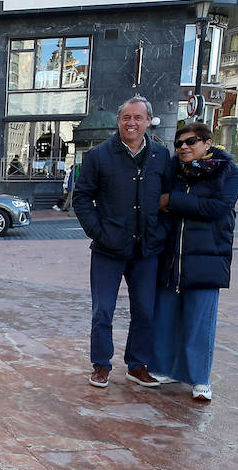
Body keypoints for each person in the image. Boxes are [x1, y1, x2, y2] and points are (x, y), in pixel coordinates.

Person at [71, 96, 168, 389]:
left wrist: (159, 230)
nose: (132, 123)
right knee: (103, 310)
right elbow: (82, 197)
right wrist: (99, 232)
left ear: (148, 121)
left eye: (138, 118)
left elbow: (168, 198)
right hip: (108, 248)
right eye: (127, 117)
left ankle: (137, 365)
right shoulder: (99, 156)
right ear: (118, 120)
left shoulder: (160, 157)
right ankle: (101, 364)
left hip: (146, 248)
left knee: (145, 310)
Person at [153, 123, 238, 402]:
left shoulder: (227, 171)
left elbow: (218, 208)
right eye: (178, 143)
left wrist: (174, 201)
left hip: (207, 256)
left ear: (207, 142)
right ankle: (162, 368)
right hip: (171, 256)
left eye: (190, 142)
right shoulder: (171, 171)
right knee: (165, 317)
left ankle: (200, 379)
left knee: (200, 321)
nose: (183, 148)